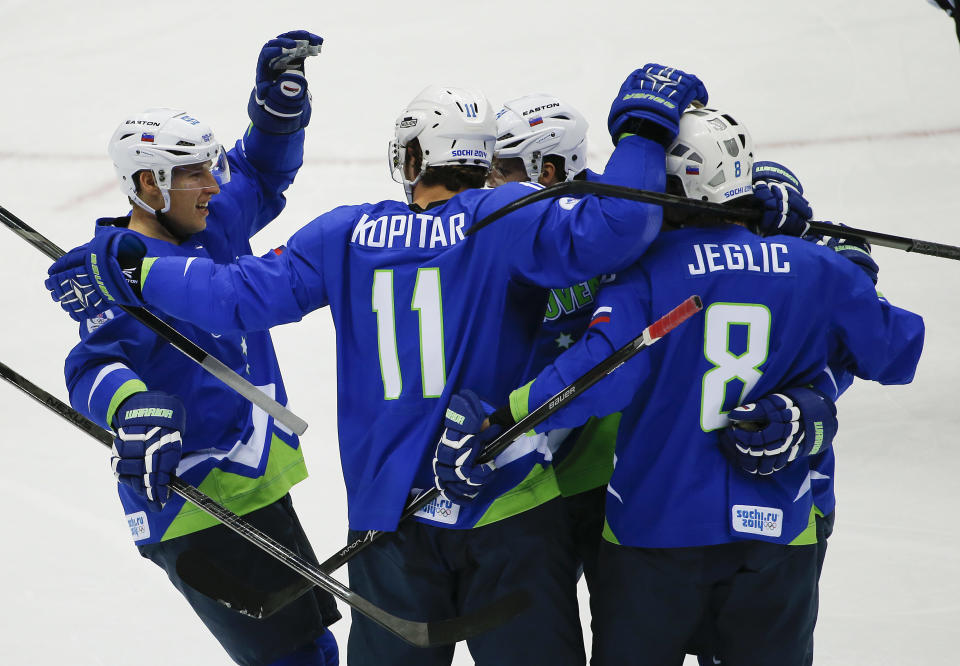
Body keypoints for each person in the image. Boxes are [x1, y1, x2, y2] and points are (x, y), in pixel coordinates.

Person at [45, 64, 708, 665]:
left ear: (416, 156)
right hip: (506, 506)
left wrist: (130, 265)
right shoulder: (508, 215)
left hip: (392, 522)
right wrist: (644, 133)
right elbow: (620, 227)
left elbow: (232, 298)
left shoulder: (347, 232)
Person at [443, 105, 925, 665]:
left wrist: (511, 417)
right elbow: (898, 353)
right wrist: (857, 275)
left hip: (654, 534)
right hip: (776, 539)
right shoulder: (814, 269)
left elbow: (601, 376)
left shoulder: (646, 270)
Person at [44, 32, 341, 666]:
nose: (213, 183)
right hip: (195, 505)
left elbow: (260, 168)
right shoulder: (112, 274)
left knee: (314, 650)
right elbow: (91, 365)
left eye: (210, 167)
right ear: (148, 185)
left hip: (255, 487)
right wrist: (132, 409)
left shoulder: (210, 222)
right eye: (193, 173)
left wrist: (278, 111)